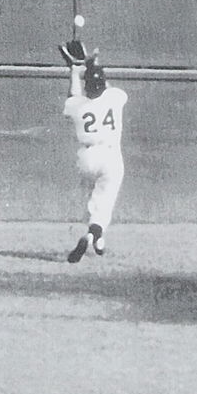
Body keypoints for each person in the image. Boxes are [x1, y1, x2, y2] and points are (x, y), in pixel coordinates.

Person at [61, 49, 126, 264]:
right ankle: (94, 234)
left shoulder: (78, 106)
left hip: (86, 158)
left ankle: (98, 239)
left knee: (94, 201)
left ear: (87, 86)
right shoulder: (115, 98)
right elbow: (107, 87)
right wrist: (93, 64)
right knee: (105, 200)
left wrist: (74, 71)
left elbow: (73, 96)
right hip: (110, 154)